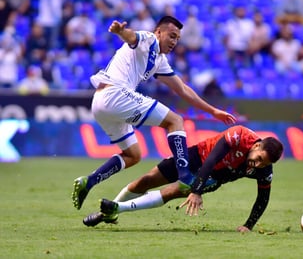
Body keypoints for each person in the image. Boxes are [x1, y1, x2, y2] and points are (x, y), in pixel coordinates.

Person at [71, 16, 237, 210]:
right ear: (159, 32)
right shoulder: (148, 39)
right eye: (172, 36)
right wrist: (120, 32)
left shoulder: (159, 60)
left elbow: (182, 89)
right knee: (175, 121)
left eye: (177, 39)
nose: (174, 42)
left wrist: (213, 111)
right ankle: (185, 177)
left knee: (133, 155)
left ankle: (89, 181)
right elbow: (132, 37)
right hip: (115, 93)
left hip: (100, 103)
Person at [82, 125, 284, 232]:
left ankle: (116, 209)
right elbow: (212, 159)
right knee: (144, 182)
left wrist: (248, 226)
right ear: (256, 146)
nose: (257, 166)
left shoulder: (264, 169)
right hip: (198, 156)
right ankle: (111, 212)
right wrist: (196, 190)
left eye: (263, 164)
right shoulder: (238, 135)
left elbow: (263, 198)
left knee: (174, 190)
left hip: (214, 177)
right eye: (258, 160)